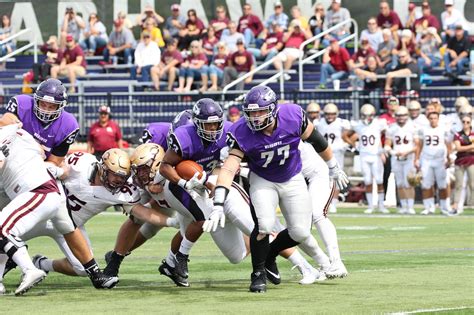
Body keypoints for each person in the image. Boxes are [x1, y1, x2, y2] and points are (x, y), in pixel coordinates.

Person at [204, 86, 349, 292]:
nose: (255, 117)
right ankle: (258, 274)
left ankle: (270, 254)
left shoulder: (292, 116)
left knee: (299, 231)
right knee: (263, 225)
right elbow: (228, 169)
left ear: (272, 109)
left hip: (292, 177)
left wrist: (333, 165)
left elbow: (316, 140)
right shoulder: (241, 131)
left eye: (260, 112)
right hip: (263, 179)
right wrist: (219, 203)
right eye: (251, 112)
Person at [0, 79, 116, 291]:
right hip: (19, 184)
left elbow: (56, 164)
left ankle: (92, 273)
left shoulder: (68, 125)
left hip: (37, 184)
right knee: (8, 230)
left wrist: (53, 168)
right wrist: (28, 140)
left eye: (51, 105)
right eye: (42, 103)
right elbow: (6, 120)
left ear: (61, 106)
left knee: (61, 225)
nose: (45, 109)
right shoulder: (20, 106)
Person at [29, 149, 174, 280]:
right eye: (115, 175)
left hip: (71, 228)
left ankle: (41, 264)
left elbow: (142, 213)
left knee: (82, 268)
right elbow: (52, 165)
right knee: (9, 236)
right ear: (103, 168)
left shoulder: (121, 192)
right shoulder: (81, 163)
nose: (119, 181)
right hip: (43, 214)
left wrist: (171, 222)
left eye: (123, 177)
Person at [0, 124, 65, 295]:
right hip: (39, 191)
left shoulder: (6, 133)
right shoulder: (18, 132)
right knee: (6, 235)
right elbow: (41, 151)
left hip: (38, 190)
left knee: (2, 228)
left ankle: (30, 269)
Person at [346, 104, 389, 214]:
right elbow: (346, 135)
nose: (366, 118)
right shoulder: (358, 125)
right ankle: (370, 206)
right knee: (368, 181)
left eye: (369, 115)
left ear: (373, 115)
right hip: (364, 156)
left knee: (379, 180)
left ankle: (381, 205)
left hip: (376, 155)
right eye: (364, 115)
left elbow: (389, 134)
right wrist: (354, 145)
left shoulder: (379, 123)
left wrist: (384, 148)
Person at [384, 106, 419, 214]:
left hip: (409, 158)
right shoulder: (392, 128)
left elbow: (417, 145)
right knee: (400, 183)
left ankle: (410, 206)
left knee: (409, 183)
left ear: (407, 116)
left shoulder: (413, 127)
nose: (401, 118)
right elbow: (387, 145)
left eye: (403, 115)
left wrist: (408, 153)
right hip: (397, 158)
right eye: (399, 116)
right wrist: (393, 152)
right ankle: (403, 206)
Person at [415, 111, 452, 215]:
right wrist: (416, 159)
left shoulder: (443, 129)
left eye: (435, 118)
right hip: (426, 159)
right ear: (428, 119)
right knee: (426, 184)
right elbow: (420, 145)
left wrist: (449, 158)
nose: (433, 120)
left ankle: (444, 207)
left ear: (438, 119)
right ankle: (429, 207)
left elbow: (448, 144)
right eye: (431, 118)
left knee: (442, 184)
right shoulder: (423, 129)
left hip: (440, 160)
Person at [317, 103, 350, 213]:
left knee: (336, 178)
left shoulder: (342, 123)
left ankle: (334, 203)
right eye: (328, 114)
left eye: (332, 114)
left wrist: (347, 144)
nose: (330, 116)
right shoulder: (318, 123)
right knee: (322, 178)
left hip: (337, 153)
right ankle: (323, 201)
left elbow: (352, 135)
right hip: (322, 153)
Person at [452, 110, 474, 214]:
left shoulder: (473, 134)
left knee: (472, 184)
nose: (465, 124)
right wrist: (471, 147)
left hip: (471, 161)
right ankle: (456, 206)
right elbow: (458, 148)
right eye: (464, 122)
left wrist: (464, 148)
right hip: (460, 161)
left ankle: (471, 203)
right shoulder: (458, 134)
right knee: (459, 184)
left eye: (467, 122)